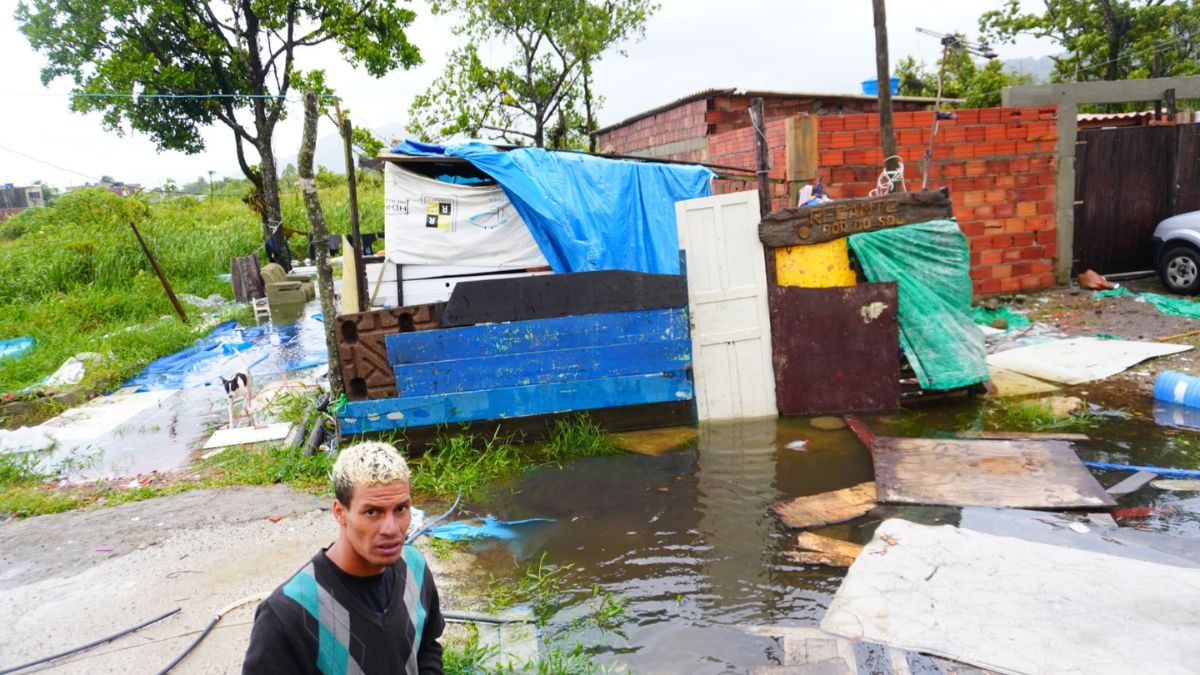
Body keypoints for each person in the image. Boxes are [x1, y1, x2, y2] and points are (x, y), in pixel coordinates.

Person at [243, 442, 444, 674]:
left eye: (400, 509)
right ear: (340, 512)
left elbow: (427, 647)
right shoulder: (288, 614)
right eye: (372, 512)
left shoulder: (414, 569)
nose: (391, 529)